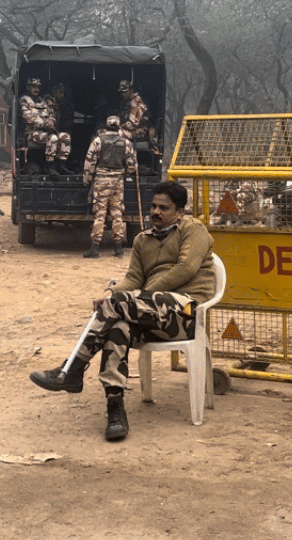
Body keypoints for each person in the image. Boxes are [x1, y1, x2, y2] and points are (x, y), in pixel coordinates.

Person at [29, 180, 216, 441]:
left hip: (184, 313)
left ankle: (73, 369)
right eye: (153, 206)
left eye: (164, 208)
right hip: (147, 314)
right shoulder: (142, 240)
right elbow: (132, 279)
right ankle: (115, 409)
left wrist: (134, 296)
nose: (156, 212)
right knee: (118, 328)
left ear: (180, 212)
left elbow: (185, 269)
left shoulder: (194, 230)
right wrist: (112, 293)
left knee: (120, 304)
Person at [82, 115, 137, 259]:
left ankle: (94, 248)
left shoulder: (98, 141)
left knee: (100, 214)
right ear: (119, 126)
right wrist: (126, 173)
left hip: (102, 181)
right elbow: (132, 166)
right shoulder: (126, 142)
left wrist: (86, 180)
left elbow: (89, 162)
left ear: (106, 126)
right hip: (118, 181)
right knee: (117, 213)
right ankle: (118, 248)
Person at [19, 77, 72, 176]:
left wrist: (51, 121)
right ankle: (49, 166)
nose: (36, 89)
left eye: (38, 87)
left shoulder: (42, 101)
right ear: (28, 87)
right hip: (31, 134)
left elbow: (50, 113)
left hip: (45, 131)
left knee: (65, 136)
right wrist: (44, 124)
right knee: (53, 138)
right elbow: (28, 118)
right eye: (34, 87)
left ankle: (61, 165)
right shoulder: (24, 100)